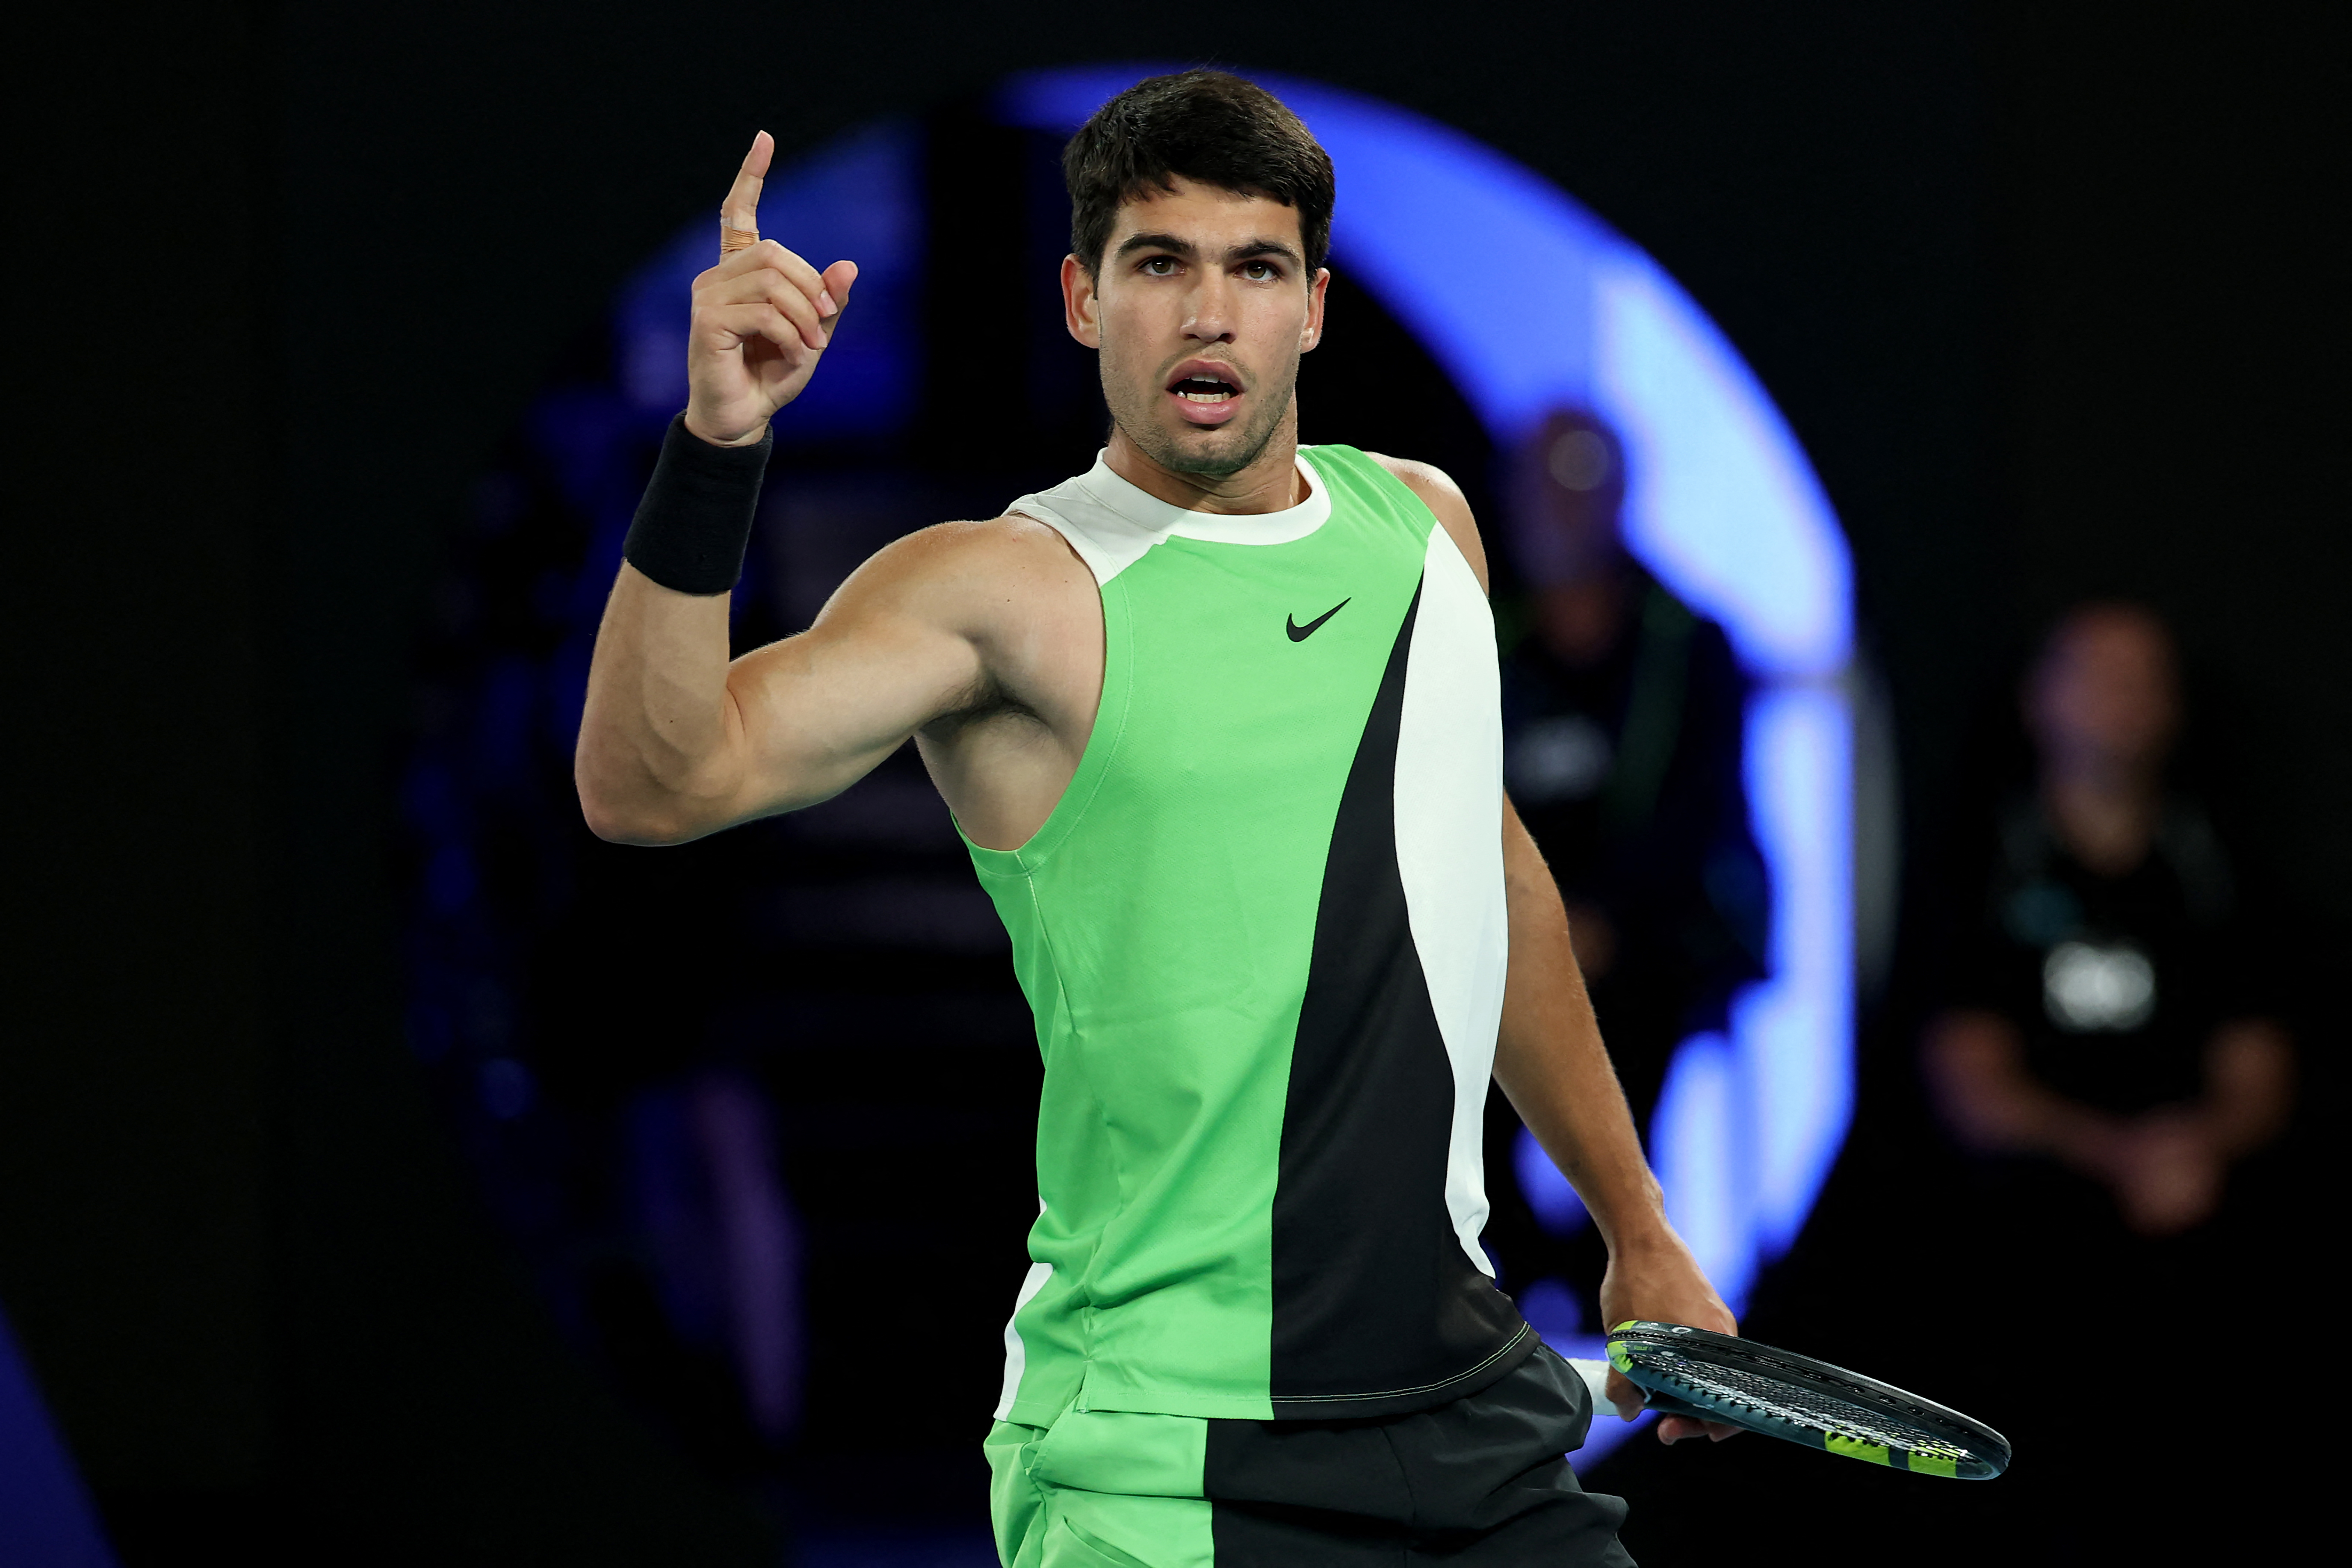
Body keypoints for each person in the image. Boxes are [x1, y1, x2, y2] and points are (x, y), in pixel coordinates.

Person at [576, 71, 1733, 1565]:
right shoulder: (1003, 589)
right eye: (1158, 264)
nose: (1209, 312)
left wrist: (1636, 1224)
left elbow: (1490, 876)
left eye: (1253, 267)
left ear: (1310, 307)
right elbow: (650, 781)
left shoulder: (1425, 527)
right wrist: (717, 444)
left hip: (1469, 1417)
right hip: (1164, 1459)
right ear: (1080, 297)